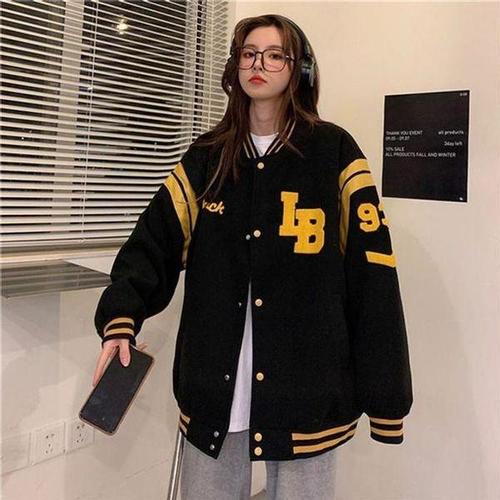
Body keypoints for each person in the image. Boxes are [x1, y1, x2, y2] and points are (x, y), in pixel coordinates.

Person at [92, 14, 413, 500]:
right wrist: (121, 319)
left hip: (308, 388)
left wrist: (387, 397)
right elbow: (152, 243)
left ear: (300, 69)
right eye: (248, 54)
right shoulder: (207, 157)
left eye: (275, 55)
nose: (258, 64)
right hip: (213, 386)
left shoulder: (333, 152)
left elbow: (374, 274)